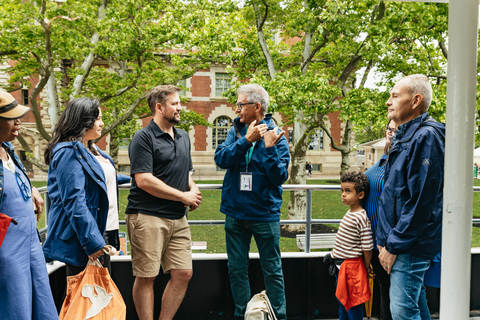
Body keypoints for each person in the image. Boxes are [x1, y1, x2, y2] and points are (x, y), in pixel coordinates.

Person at [125, 85, 202, 320]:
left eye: (180, 103)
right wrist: (182, 196)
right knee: (147, 276)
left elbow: (185, 171)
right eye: (175, 104)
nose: (180, 108)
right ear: (159, 107)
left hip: (178, 217)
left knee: (183, 273)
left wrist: (193, 188)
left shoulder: (183, 136)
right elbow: (144, 180)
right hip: (147, 215)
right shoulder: (143, 137)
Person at [214, 83, 290, 320]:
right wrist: (246, 141)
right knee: (236, 270)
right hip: (235, 214)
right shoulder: (235, 131)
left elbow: (279, 176)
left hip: (264, 215)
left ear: (257, 107)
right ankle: (242, 315)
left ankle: (279, 316)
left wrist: (267, 148)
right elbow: (221, 159)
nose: (236, 109)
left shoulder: (277, 136)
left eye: (240, 104)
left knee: (272, 271)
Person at [376, 74, 445, 320]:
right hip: (401, 242)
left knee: (403, 310)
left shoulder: (426, 137)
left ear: (415, 101)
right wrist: (384, 241)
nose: (388, 101)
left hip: (409, 245)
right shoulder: (406, 137)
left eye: (395, 96)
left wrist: (393, 244)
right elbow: (395, 193)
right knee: (415, 304)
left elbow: (421, 201)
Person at [0, 91, 58, 319]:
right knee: (15, 306)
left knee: (41, 302)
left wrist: (30, 188)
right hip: (7, 247)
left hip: (31, 241)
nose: (18, 122)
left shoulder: (9, 150)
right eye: (11, 117)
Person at [43, 98, 109, 276]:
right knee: (81, 297)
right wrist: (92, 241)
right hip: (82, 237)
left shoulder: (88, 148)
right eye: (98, 119)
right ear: (84, 122)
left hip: (96, 230)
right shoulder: (69, 152)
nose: (102, 123)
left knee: (93, 296)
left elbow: (94, 179)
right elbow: (74, 200)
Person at [362, 119, 397, 320]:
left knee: (396, 297)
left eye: (396, 129)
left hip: (389, 244)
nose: (390, 133)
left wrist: (388, 244)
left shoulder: (400, 161)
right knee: (385, 291)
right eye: (389, 129)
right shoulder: (384, 157)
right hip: (374, 241)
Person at [330, 171, 373, 320]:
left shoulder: (361, 217)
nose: (343, 194)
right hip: (341, 267)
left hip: (352, 268)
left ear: (360, 195)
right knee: (343, 302)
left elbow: (367, 247)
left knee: (353, 304)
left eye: (348, 191)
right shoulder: (350, 213)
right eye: (342, 190)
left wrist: (365, 268)